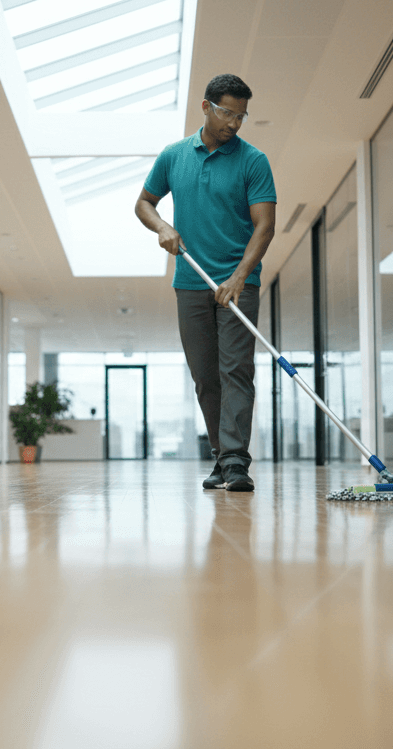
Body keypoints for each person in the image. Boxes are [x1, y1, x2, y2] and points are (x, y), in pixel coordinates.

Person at [135, 74, 276, 492]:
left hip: (238, 283)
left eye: (242, 115)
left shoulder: (254, 160)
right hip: (190, 282)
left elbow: (264, 227)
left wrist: (238, 278)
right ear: (206, 107)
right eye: (228, 113)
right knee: (205, 376)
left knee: (236, 370)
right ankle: (222, 456)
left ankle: (235, 462)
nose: (235, 123)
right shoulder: (174, 156)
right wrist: (161, 225)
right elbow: (144, 202)